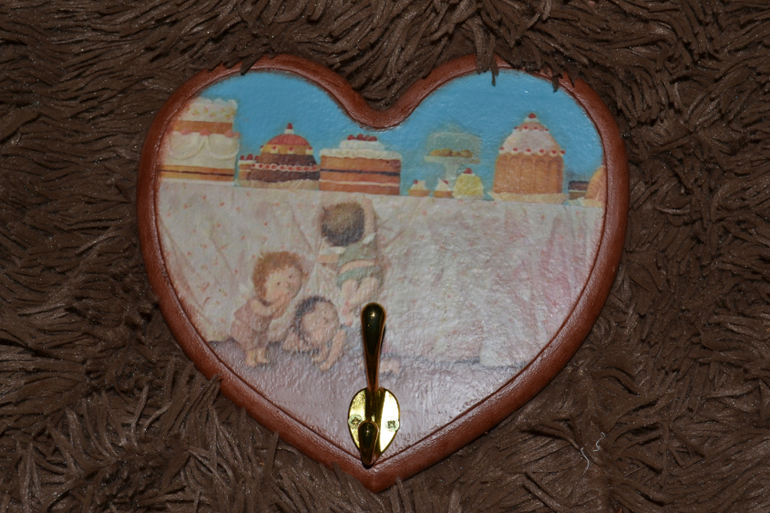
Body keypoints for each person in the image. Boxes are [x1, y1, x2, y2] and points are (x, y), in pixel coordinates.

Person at [229, 251, 304, 366]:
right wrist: (279, 303)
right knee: (251, 342)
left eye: (290, 277)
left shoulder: (273, 302)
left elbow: (275, 316)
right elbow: (266, 312)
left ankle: (260, 356)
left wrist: (283, 306)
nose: (286, 285)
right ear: (263, 290)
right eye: (278, 283)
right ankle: (250, 358)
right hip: (244, 327)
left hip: (260, 329)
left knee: (262, 341)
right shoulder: (255, 302)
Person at [317, 198, 382, 325]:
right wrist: (368, 206)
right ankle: (353, 302)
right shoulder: (367, 239)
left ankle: (350, 306)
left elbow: (331, 259)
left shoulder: (341, 249)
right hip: (369, 269)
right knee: (371, 284)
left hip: (347, 272)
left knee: (348, 287)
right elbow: (370, 222)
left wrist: (322, 260)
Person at [282, 296, 348, 371]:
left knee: (340, 334)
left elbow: (338, 343)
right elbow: (325, 348)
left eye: (325, 312)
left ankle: (330, 362)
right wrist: (321, 356)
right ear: (309, 338)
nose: (323, 320)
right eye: (316, 323)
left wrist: (329, 361)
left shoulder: (341, 331)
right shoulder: (325, 342)